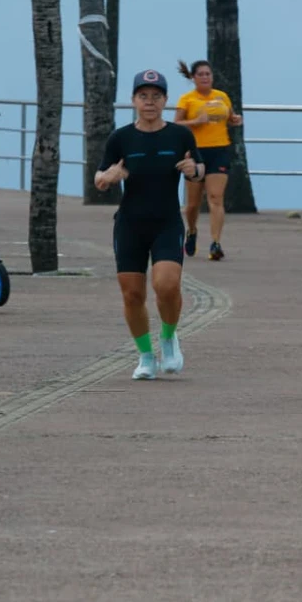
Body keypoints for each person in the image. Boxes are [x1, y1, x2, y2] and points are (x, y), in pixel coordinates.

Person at [95, 69, 205, 380]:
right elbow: (100, 177)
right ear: (133, 100)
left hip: (166, 222)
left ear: (165, 100)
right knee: (132, 295)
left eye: (156, 97)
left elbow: (199, 168)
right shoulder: (121, 138)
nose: (149, 102)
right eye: (143, 96)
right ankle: (145, 356)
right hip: (130, 224)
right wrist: (108, 178)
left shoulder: (180, 135)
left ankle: (168, 338)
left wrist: (193, 170)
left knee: (166, 286)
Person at [173, 60, 243, 261]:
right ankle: (192, 231)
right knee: (193, 204)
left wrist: (235, 120)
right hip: (195, 152)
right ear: (193, 77)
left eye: (208, 74)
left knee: (215, 197)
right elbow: (175, 124)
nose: (205, 77)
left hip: (219, 150)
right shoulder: (187, 99)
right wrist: (195, 122)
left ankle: (215, 243)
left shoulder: (221, 97)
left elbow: (230, 117)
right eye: (201, 74)